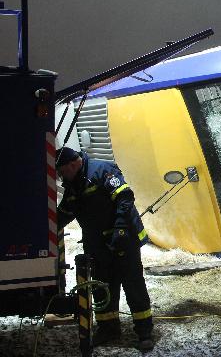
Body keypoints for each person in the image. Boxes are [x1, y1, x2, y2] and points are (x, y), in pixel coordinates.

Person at [56, 147, 154, 351]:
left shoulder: (102, 170)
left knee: (133, 286)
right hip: (98, 245)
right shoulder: (74, 183)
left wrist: (119, 228)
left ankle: (144, 332)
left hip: (123, 240)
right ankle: (108, 328)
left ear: (73, 164)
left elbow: (124, 197)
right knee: (103, 287)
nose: (62, 176)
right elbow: (66, 211)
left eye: (63, 171)